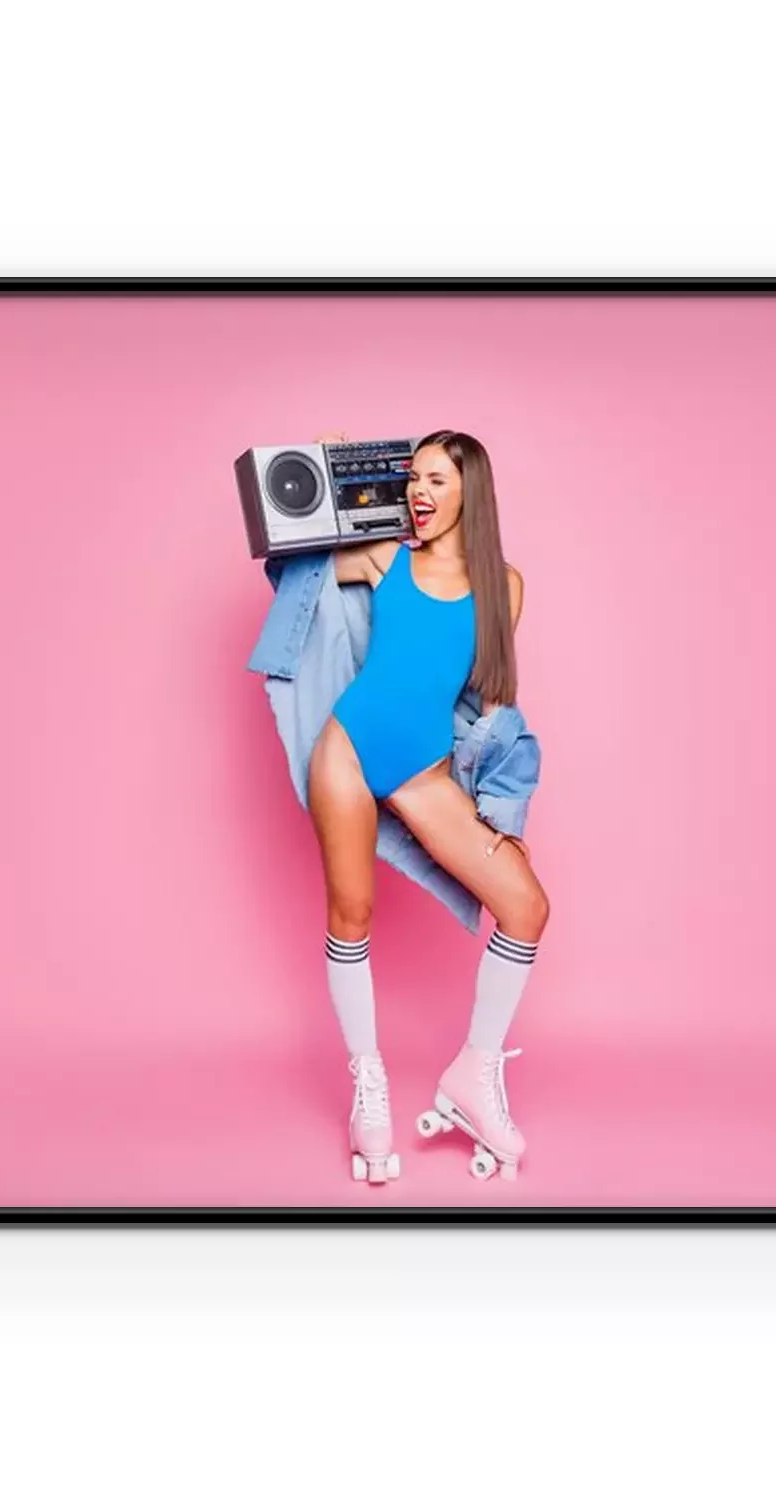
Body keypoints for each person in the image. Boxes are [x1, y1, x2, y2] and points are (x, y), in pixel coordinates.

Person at [307, 428, 551, 1183]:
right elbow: (294, 560)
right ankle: (368, 1086)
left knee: (526, 907)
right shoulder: (385, 557)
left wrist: (503, 820)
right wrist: (334, 472)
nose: (419, 492)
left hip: (423, 773)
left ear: (471, 492)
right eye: (414, 478)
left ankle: (474, 1073)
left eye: (437, 480)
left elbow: (496, 711)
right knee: (352, 915)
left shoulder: (504, 586)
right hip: (348, 751)